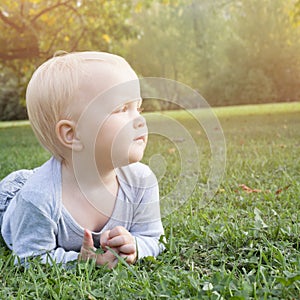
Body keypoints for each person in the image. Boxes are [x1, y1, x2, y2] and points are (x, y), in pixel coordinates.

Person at [0, 51, 164, 268]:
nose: (139, 119)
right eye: (122, 109)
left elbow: (154, 238)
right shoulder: (37, 199)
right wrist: (81, 261)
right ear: (72, 134)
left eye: (138, 107)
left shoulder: (141, 181)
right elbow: (30, 257)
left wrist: (135, 245)